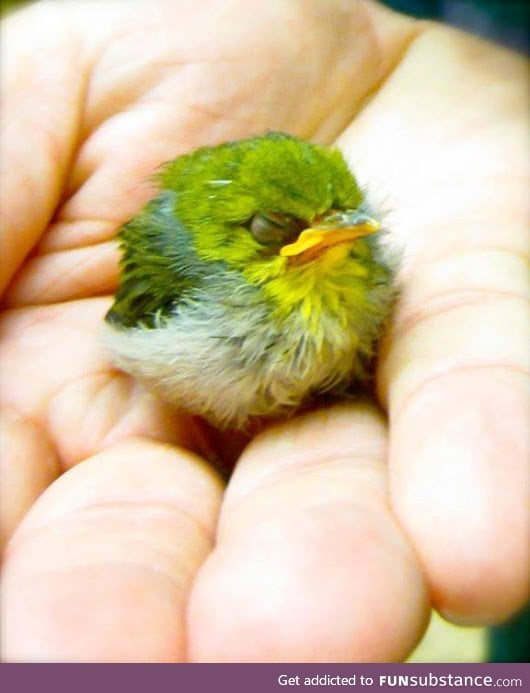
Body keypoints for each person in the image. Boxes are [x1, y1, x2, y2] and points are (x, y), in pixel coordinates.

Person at [1, 0, 528, 662]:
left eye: (347, 214)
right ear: (237, 235)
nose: (344, 232)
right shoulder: (182, 268)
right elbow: (129, 329)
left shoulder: (356, 261)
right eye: (282, 230)